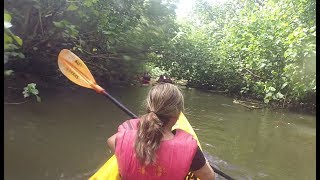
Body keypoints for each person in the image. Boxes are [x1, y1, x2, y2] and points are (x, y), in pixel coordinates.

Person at [107, 83, 215, 180]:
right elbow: (209, 177)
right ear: (177, 114)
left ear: (149, 108)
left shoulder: (123, 136)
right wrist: (202, 161)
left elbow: (110, 141)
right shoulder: (191, 148)